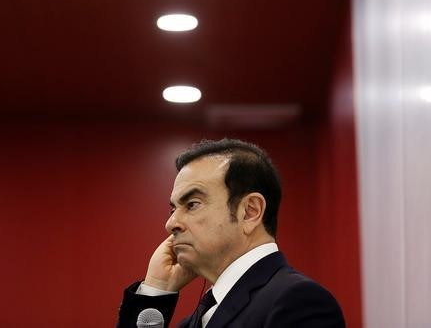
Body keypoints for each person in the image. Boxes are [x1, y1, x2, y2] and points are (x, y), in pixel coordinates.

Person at [116, 138, 345, 327]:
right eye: (173, 208)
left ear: (250, 211)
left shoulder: (299, 302)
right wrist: (157, 289)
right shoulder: (193, 322)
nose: (171, 223)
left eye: (192, 204)